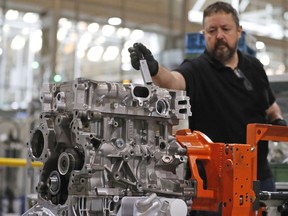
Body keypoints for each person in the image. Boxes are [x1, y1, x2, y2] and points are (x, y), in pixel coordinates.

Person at [129, 1, 287, 215]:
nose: (219, 35)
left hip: (259, 179)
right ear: (204, 34)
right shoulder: (197, 70)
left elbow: (271, 106)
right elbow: (172, 81)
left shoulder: (254, 68)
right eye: (212, 30)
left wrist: (277, 121)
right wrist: (154, 68)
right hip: (215, 187)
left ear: (239, 32)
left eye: (226, 29)